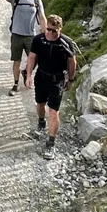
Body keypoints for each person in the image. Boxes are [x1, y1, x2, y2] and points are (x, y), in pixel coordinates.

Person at [25, 15, 78, 160]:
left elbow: (72, 61)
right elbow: (31, 57)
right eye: (48, 29)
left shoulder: (66, 43)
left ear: (60, 29)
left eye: (54, 31)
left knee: (54, 111)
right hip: (41, 76)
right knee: (40, 104)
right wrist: (29, 75)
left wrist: (71, 79)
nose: (51, 33)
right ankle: (41, 123)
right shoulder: (38, 40)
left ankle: (51, 143)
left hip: (57, 79)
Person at [0, 0, 46, 95]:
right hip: (17, 35)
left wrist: (45, 33)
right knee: (16, 60)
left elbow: (42, 17)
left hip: (31, 36)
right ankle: (16, 83)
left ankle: (27, 74)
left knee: (35, 59)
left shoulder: (36, 0)